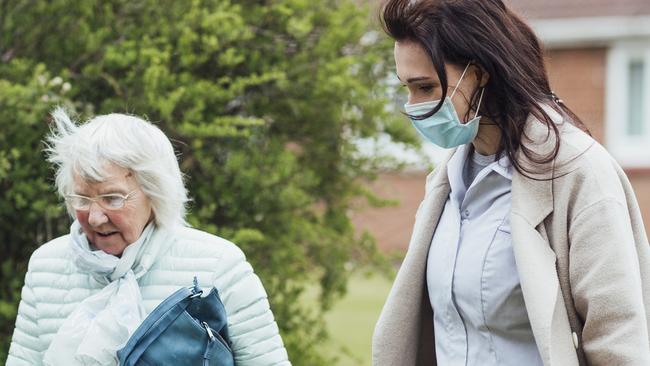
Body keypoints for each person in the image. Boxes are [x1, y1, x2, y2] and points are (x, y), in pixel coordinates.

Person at [372, 1, 650, 365]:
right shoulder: (448, 182)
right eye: (406, 88)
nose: (413, 106)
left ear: (482, 72)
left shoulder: (581, 174)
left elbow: (619, 341)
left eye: (425, 87)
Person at [7, 108, 291, 365]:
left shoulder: (218, 265)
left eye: (112, 198)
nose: (94, 217)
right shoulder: (46, 265)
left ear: (156, 193)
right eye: (82, 198)